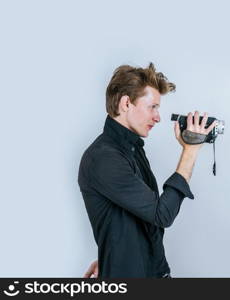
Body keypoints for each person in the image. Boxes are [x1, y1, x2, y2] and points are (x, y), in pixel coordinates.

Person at [78, 63, 216, 278]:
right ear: (126, 103)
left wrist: (110, 257)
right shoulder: (104, 158)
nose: (158, 117)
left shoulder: (132, 149)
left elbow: (137, 222)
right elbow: (162, 214)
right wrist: (190, 151)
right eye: (152, 107)